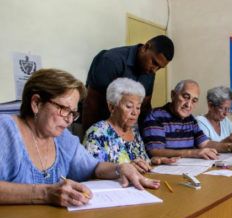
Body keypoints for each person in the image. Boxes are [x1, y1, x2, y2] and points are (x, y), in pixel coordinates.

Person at [0, 69, 160, 207]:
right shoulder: (5, 129)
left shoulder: (62, 138)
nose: (69, 120)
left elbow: (94, 167)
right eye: (63, 109)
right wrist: (45, 193)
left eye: (73, 113)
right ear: (36, 103)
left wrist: (121, 168)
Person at [142, 80, 232, 160]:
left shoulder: (190, 120)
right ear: (173, 95)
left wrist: (230, 146)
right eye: (185, 97)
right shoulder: (155, 116)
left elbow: (205, 144)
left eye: (194, 100)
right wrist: (193, 152)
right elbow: (155, 151)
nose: (188, 105)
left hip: (190, 169)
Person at [83, 78, 176, 173]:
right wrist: (123, 169)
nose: (135, 112)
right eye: (129, 106)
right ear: (112, 107)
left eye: (138, 107)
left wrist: (153, 161)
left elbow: (140, 163)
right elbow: (91, 172)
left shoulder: (134, 132)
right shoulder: (97, 133)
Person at [82, 35, 175, 131]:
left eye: (159, 67)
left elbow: (145, 107)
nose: (154, 70)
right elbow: (91, 104)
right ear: (146, 47)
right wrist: (88, 137)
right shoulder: (111, 61)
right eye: (154, 63)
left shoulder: (150, 71)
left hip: (125, 130)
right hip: (98, 128)